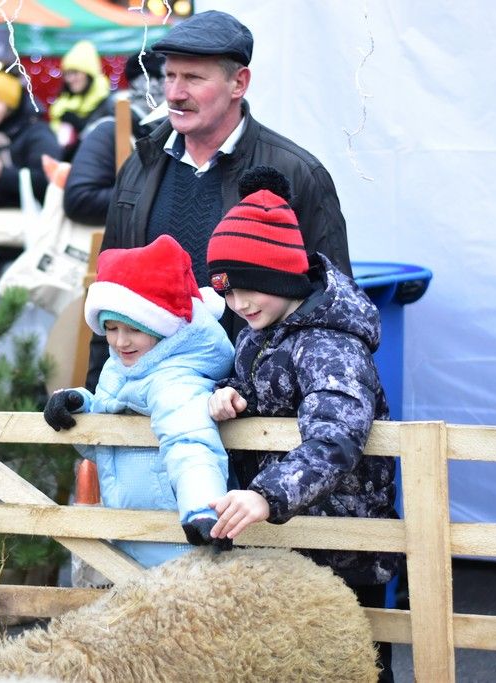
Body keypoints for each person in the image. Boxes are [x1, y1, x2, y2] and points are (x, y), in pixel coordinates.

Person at [205, 167, 400, 683]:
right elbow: (256, 388)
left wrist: (267, 495)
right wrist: (225, 396)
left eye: (251, 289)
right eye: (227, 291)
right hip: (285, 535)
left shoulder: (328, 343)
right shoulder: (259, 329)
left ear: (285, 279)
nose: (238, 304)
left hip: (342, 543)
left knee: (356, 663)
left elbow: (336, 435)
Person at [86, 9, 349, 390]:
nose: (174, 93)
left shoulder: (296, 173)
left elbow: (331, 307)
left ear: (239, 82)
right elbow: (110, 296)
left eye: (193, 78)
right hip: (151, 412)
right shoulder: (139, 167)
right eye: (170, 75)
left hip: (257, 418)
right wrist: (98, 418)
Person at [43, 234, 234, 567]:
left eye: (133, 328)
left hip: (176, 542)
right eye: (112, 328)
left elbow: (189, 440)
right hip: (133, 534)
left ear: (161, 326)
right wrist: (80, 408)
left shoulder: (176, 380)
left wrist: (203, 509)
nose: (119, 341)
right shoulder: (123, 368)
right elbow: (106, 447)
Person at [63, 51, 168, 227]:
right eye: (171, 77)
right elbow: (79, 200)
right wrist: (158, 195)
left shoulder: (176, 131)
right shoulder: (112, 127)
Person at [0, 72, 61, 263]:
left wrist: (0, 172)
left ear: (10, 104)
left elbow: (48, 181)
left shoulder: (38, 133)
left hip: (28, 245)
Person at [48, 40, 114, 160]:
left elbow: (106, 137)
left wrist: (80, 125)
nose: (70, 79)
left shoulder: (107, 101)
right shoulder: (62, 105)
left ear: (89, 73)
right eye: (67, 74)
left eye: (75, 73)